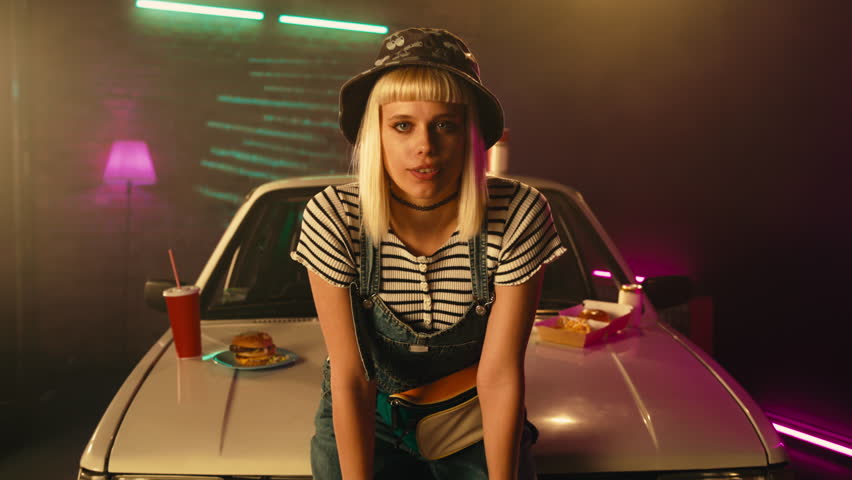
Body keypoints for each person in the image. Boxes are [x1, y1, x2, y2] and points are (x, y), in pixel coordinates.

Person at [291, 27, 566, 480]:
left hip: (470, 418)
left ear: (470, 133)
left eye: (445, 124)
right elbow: (352, 377)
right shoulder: (334, 216)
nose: (425, 146)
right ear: (376, 132)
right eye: (403, 125)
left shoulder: (519, 211)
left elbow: (499, 376)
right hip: (370, 418)